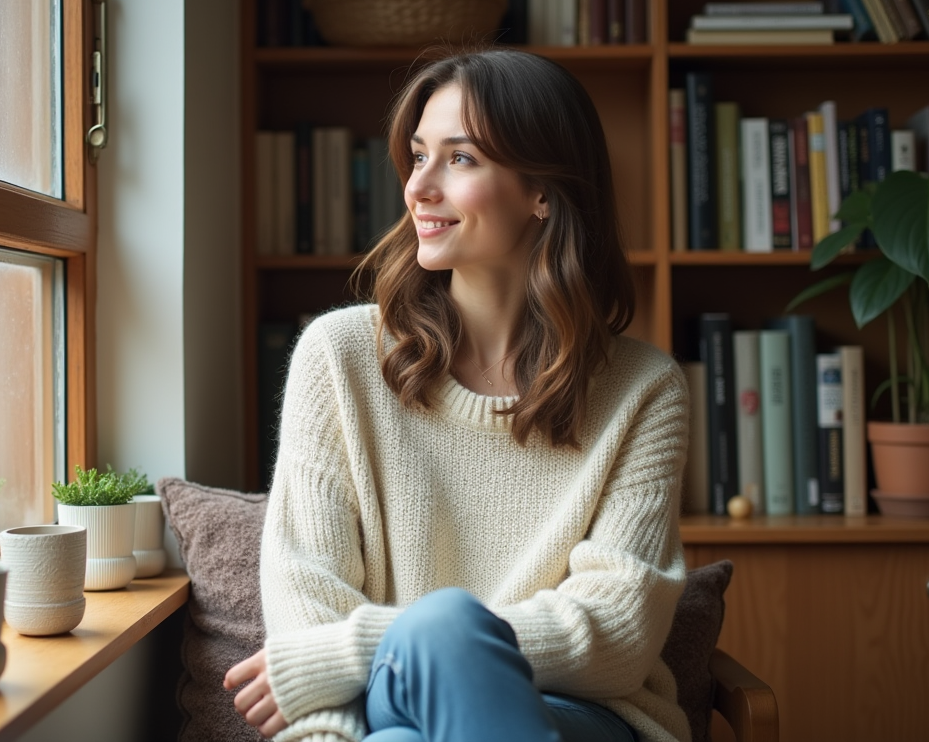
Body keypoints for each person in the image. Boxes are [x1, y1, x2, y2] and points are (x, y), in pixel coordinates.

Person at [224, 48, 690, 742]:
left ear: (543, 191)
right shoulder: (339, 359)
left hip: (580, 717)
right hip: (390, 702)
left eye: (460, 159)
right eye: (417, 157)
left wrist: (371, 645)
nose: (418, 187)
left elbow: (616, 635)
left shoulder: (643, 390)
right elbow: (305, 602)